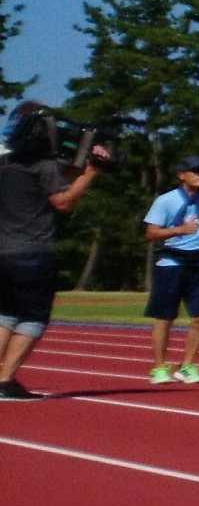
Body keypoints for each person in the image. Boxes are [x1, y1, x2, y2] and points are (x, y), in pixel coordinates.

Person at [0, 104, 102, 399]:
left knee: (6, 314)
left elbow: (46, 183)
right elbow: (63, 201)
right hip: (33, 252)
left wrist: (78, 167)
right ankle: (5, 380)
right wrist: (91, 173)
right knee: (34, 317)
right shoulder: (43, 167)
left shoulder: (6, 165)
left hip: (4, 252)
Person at [142, 155, 199, 384]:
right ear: (181, 175)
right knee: (165, 318)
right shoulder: (166, 201)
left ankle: (187, 365)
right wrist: (179, 230)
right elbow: (151, 233)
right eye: (196, 172)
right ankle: (159, 367)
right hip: (172, 264)